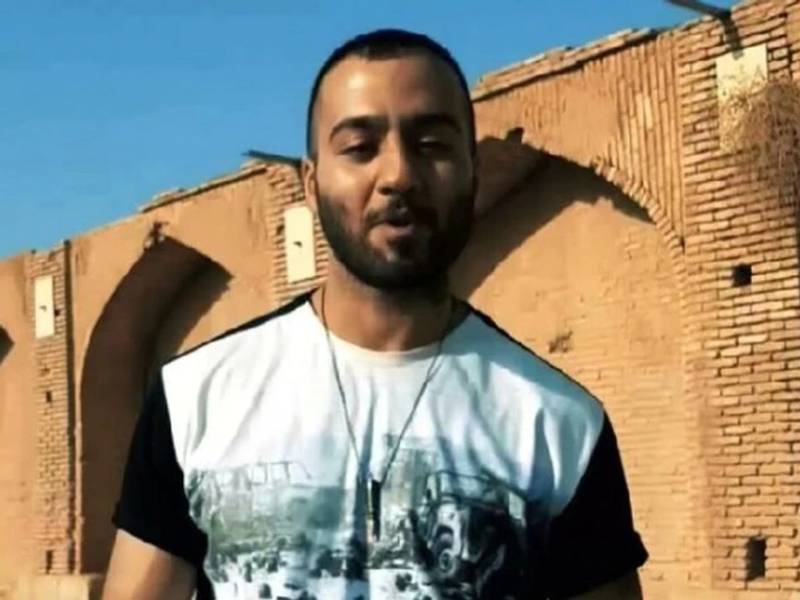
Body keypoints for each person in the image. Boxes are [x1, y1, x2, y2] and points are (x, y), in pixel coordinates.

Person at [102, 29, 648, 600]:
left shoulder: (557, 424)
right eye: (360, 148)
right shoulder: (198, 399)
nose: (398, 175)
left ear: (473, 170)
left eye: (431, 145)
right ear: (310, 184)